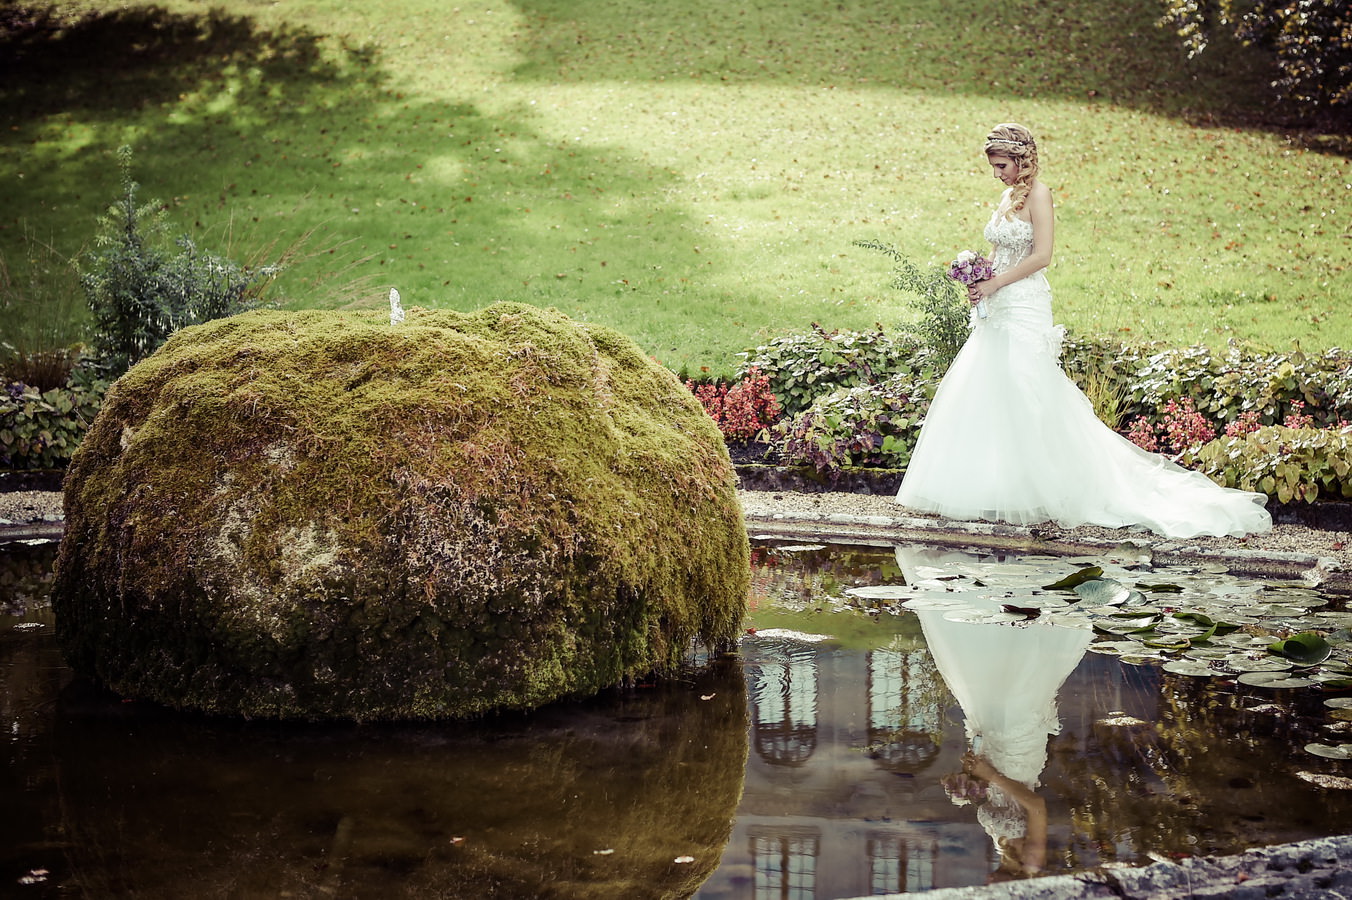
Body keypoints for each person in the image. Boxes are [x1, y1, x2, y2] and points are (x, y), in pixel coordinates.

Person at [895, 123, 1272, 539]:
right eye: (994, 166)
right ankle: (995, 489)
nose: (997, 174)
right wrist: (980, 277)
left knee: (1027, 389)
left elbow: (1042, 256)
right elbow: (1000, 250)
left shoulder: (1039, 193)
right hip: (997, 305)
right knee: (990, 389)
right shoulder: (1006, 197)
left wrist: (996, 282)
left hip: (1025, 304)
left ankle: (1050, 488)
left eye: (1002, 165)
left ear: (1021, 160)